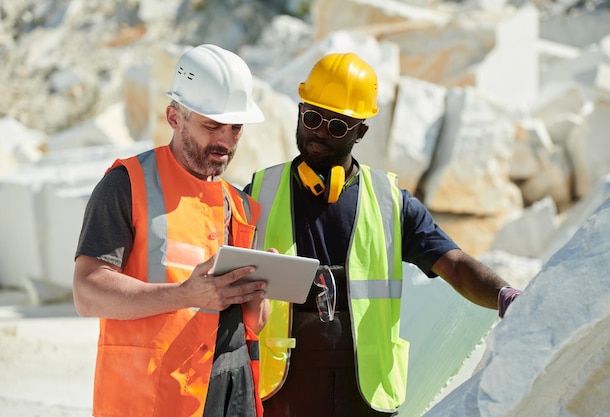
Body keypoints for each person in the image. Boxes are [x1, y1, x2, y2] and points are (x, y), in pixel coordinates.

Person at [244, 52, 523, 417]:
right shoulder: (259, 193)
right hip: (281, 392)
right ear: (299, 112)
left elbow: (453, 265)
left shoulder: (391, 203)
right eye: (312, 118)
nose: (319, 133)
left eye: (337, 126)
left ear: (361, 131)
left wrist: (506, 297)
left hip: (365, 396)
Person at [73, 44, 271, 417]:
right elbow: (87, 293)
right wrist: (184, 294)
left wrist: (261, 291)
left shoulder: (241, 205)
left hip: (233, 391)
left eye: (236, 128)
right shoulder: (126, 184)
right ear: (174, 117)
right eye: (212, 125)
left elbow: (254, 323)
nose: (226, 141)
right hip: (152, 397)